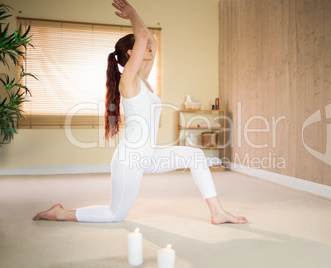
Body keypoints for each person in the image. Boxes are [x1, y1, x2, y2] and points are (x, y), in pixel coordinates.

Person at [33, 0, 247, 225]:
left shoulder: (143, 79)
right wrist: (133, 15)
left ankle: (217, 212)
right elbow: (145, 37)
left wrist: (135, 18)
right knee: (115, 215)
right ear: (131, 53)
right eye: (143, 48)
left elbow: (150, 39)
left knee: (196, 156)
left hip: (149, 155)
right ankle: (59, 213)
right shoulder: (128, 81)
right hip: (130, 159)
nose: (151, 49)